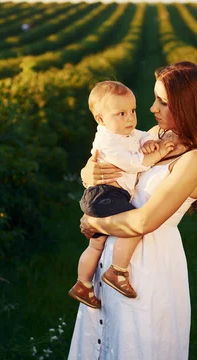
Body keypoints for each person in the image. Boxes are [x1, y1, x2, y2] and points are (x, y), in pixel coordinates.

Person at [63, 61, 197, 360]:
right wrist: (90, 173)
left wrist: (95, 223)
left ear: (186, 106)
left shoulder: (195, 161)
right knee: (113, 358)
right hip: (118, 255)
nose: (151, 109)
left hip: (148, 267)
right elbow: (113, 162)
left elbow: (144, 221)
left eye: (162, 102)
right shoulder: (160, 136)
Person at [68, 81, 175, 309]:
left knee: (96, 245)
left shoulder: (123, 131)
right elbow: (133, 164)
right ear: (100, 119)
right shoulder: (108, 141)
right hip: (105, 193)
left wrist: (148, 143)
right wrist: (155, 155)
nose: (130, 119)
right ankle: (118, 270)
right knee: (133, 225)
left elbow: (142, 135)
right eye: (121, 113)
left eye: (133, 111)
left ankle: (83, 284)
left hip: (105, 194)